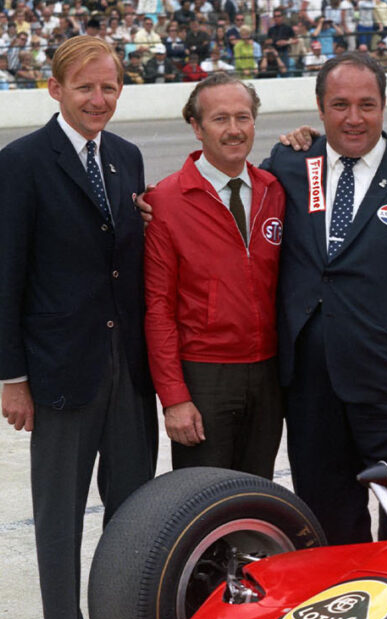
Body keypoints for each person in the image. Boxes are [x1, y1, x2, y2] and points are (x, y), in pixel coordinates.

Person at [0, 35, 157, 619]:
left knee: (131, 517)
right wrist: (13, 379)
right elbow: (0, 278)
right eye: (85, 87)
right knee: (59, 521)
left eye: (108, 87)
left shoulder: (127, 158)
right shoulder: (22, 163)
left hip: (126, 370)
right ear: (55, 89)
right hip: (59, 373)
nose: (98, 100)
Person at [261, 51, 387, 544]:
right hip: (312, 384)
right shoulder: (289, 164)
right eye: (340, 105)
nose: (354, 118)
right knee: (327, 515)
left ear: (383, 107)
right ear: (319, 108)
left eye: (366, 105)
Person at [143, 73, 284, 480]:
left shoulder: (275, 190)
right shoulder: (166, 201)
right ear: (196, 127)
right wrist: (174, 398)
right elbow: (158, 308)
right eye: (220, 119)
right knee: (204, 499)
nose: (234, 130)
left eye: (243, 117)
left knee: (257, 492)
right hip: (204, 376)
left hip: (268, 374)